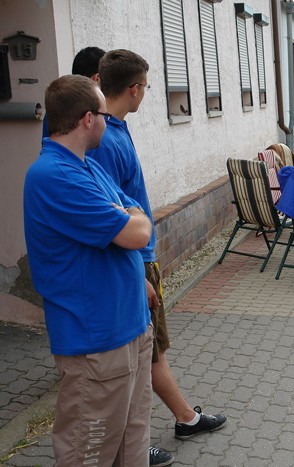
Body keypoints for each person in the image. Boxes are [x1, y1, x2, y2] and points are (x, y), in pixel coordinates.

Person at [88, 49, 227, 458]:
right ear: (134, 89)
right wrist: (139, 274)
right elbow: (111, 221)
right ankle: (146, 438)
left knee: (150, 349)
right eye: (146, 87)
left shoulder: (114, 129)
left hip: (141, 258)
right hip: (134, 263)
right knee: (144, 352)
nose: (146, 94)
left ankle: (177, 421)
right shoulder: (106, 141)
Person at [24, 74, 153, 466]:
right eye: (103, 114)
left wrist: (129, 218)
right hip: (96, 344)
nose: (108, 121)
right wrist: (128, 218)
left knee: (132, 445)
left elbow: (138, 215)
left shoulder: (86, 167)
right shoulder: (54, 176)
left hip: (128, 329)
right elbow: (135, 231)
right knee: (89, 453)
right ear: (86, 119)